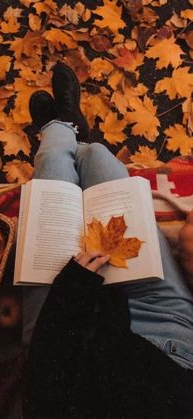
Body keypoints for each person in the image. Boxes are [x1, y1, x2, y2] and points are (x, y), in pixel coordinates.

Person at [23, 63, 193, 419]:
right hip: (165, 333)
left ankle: (57, 131)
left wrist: (71, 292)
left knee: (53, 165)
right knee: (96, 158)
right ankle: (73, 132)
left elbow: (44, 391)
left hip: (62, 336)